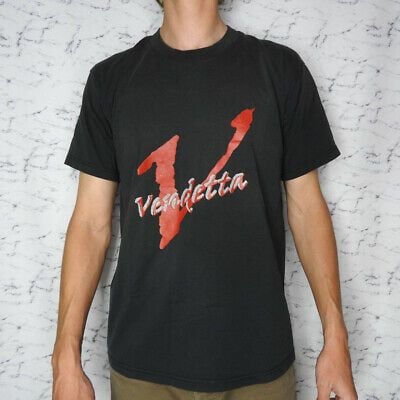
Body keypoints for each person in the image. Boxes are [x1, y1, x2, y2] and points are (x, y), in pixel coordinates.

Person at [51, 0, 358, 399]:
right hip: (143, 367)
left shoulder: (280, 70)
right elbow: (90, 225)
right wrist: (65, 357)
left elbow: (307, 209)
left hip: (258, 364)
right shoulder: (111, 80)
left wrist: (336, 339)